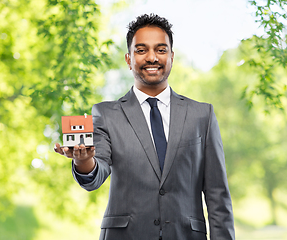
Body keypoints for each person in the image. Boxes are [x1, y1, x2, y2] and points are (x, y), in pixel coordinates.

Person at [54, 13, 235, 240]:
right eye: (141, 50)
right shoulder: (106, 114)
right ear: (129, 59)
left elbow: (218, 196)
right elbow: (96, 173)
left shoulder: (202, 115)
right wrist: (83, 161)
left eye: (161, 50)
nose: (152, 57)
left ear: (171, 56)